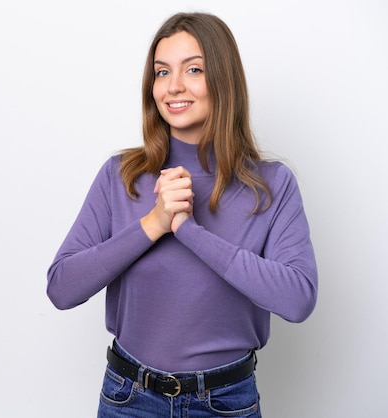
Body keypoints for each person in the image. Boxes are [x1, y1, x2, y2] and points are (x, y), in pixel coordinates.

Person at [46, 11, 318, 418]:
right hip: (128, 399)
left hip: (225, 403)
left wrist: (189, 231)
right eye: (161, 72)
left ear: (223, 80)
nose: (173, 86)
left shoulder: (271, 185)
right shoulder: (122, 176)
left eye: (193, 69)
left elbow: (297, 300)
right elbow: (61, 288)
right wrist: (152, 224)